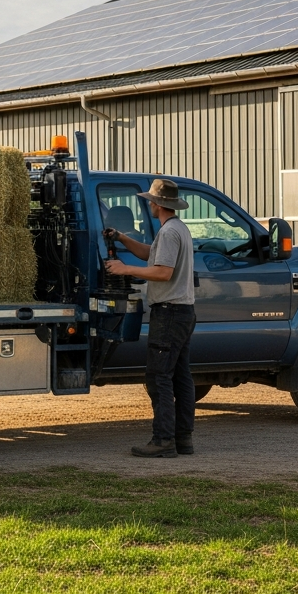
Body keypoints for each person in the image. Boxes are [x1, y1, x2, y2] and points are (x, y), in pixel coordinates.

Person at [103, 178, 196, 458]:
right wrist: (122, 238)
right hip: (182, 312)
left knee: (159, 378)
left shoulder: (169, 233)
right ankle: (183, 439)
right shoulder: (176, 228)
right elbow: (151, 256)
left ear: (157, 204)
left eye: (150, 202)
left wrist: (124, 269)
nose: (149, 206)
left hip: (168, 313)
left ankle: (163, 440)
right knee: (180, 377)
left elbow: (162, 272)